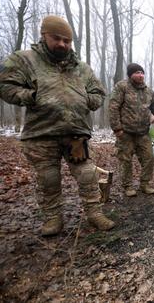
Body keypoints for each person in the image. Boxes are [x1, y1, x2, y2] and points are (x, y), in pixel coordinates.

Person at [0, 15, 115, 236]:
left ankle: (95, 213)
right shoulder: (25, 60)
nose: (62, 44)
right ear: (44, 36)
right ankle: (53, 219)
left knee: (87, 174)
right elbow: (5, 84)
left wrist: (87, 100)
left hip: (75, 134)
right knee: (48, 179)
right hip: (41, 133)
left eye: (67, 40)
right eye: (56, 38)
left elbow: (98, 92)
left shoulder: (81, 68)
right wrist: (30, 96)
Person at [109, 63, 154, 197]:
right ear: (130, 74)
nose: (140, 75)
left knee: (149, 158)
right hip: (125, 132)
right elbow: (113, 107)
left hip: (143, 132)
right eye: (137, 72)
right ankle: (127, 186)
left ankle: (145, 184)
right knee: (126, 160)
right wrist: (117, 129)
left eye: (142, 72)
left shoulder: (148, 91)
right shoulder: (122, 87)